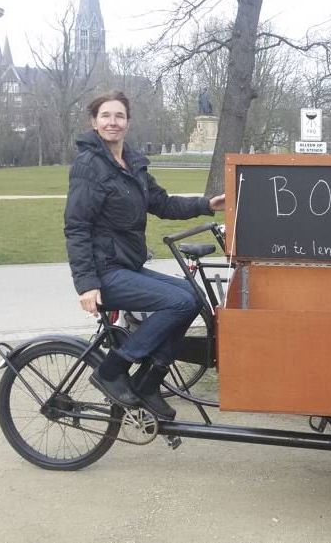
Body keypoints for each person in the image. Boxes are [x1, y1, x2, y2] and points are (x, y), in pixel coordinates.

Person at [64, 90, 226, 420]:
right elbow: (77, 226)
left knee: (191, 296)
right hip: (104, 272)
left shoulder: (132, 163)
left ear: (128, 123)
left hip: (127, 266)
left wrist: (205, 204)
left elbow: (162, 203)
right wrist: (86, 285)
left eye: (119, 116)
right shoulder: (89, 166)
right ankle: (114, 368)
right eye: (106, 116)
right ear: (94, 123)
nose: (113, 122)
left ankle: (150, 381)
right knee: (179, 302)